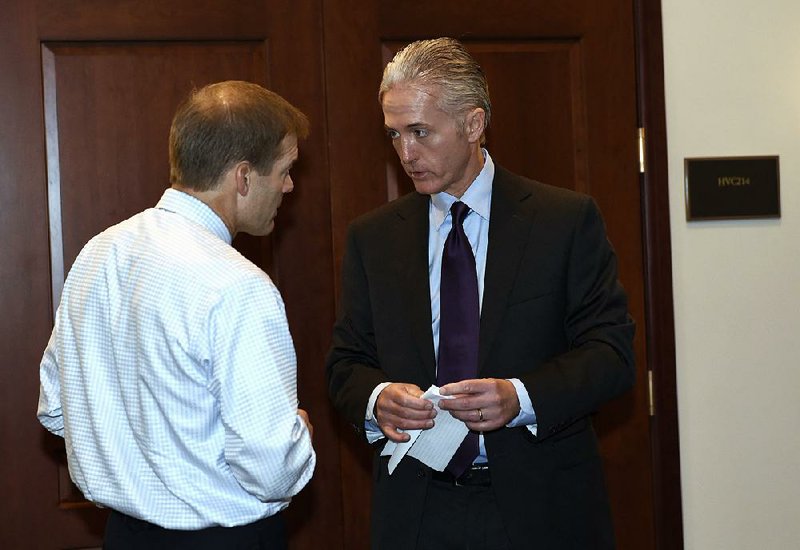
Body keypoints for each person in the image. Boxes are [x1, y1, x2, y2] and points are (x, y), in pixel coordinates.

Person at [326, 38, 635, 549]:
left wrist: (521, 397)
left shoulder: (562, 221)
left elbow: (611, 355)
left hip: (543, 507)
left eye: (420, 132)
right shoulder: (373, 238)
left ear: (473, 124)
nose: (406, 153)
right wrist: (378, 399)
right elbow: (346, 362)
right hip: (418, 511)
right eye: (395, 134)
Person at [37, 80, 315, 549]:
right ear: (243, 177)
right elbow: (272, 470)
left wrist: (138, 453)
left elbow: (56, 409)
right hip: (226, 540)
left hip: (122, 536)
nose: (290, 185)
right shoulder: (239, 286)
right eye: (286, 169)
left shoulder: (97, 254)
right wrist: (298, 436)